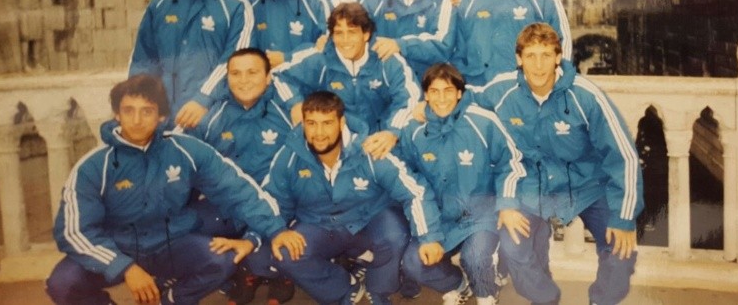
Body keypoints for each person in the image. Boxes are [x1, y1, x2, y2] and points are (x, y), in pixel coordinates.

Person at [45, 74, 305, 305]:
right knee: (62, 283)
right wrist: (124, 267)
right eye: (128, 111)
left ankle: (172, 299)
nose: (136, 120)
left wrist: (277, 230)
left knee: (221, 261)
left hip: (170, 241)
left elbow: (237, 189)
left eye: (147, 111)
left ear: (162, 117)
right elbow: (73, 230)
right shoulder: (93, 165)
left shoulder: (185, 149)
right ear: (116, 114)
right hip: (117, 245)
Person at [471, 23, 643, 305]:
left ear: (558, 57)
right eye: (530, 56)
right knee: (513, 246)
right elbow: (460, 97)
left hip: (587, 185)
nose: (538, 65)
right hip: (530, 186)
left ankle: (601, 300)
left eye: (546, 55)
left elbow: (623, 155)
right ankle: (546, 298)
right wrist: (423, 109)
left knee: (621, 252)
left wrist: (623, 217)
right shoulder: (502, 90)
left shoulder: (585, 95)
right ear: (518, 59)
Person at [252, 91, 444, 305]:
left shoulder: (369, 150)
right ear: (303, 124)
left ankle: (379, 289)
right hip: (319, 223)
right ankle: (343, 286)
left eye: (327, 123)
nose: (319, 132)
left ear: (341, 122)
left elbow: (415, 191)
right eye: (312, 123)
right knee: (285, 252)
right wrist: (274, 232)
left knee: (394, 233)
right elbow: (272, 200)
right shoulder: (289, 156)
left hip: (368, 220)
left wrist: (430, 238)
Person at [397, 63, 526, 305]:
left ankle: (487, 294)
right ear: (426, 95)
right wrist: (429, 234)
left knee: (475, 257)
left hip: (480, 214)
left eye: (448, 90)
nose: (441, 98)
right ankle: (457, 284)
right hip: (441, 218)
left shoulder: (483, 121)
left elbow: (511, 162)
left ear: (459, 93)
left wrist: (507, 203)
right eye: (434, 92)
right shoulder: (413, 130)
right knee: (414, 262)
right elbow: (411, 187)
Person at [189, 48, 296, 304]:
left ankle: (279, 274)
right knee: (184, 229)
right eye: (235, 73)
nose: (243, 80)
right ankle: (236, 271)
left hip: (278, 205)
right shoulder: (213, 116)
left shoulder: (286, 113)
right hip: (231, 205)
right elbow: (189, 161)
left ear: (269, 77)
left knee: (272, 254)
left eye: (252, 72)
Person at [129, 0, 254, 129]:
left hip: (211, 119)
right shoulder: (160, 4)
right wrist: (141, 103)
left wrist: (203, 99)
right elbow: (143, 60)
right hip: (163, 118)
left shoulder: (236, 7)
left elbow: (236, 62)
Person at [272, 2, 421, 158]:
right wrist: (295, 103)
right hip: (336, 144)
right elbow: (279, 75)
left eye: (352, 32)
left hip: (378, 141)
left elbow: (410, 97)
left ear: (366, 34)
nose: (345, 40)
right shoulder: (322, 58)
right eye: (338, 33)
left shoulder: (386, 59)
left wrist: (392, 132)